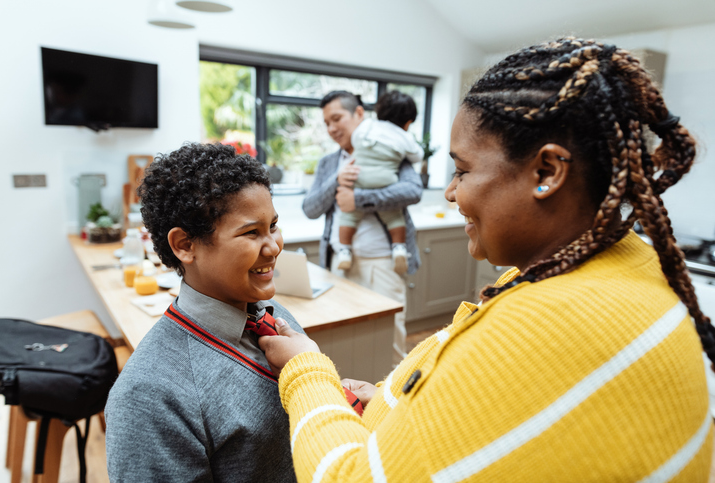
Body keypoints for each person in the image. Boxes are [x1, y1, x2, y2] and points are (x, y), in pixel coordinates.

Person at [259, 38, 715, 482]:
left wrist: (307, 369)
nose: (453, 191)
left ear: (547, 172)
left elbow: (346, 477)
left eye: (462, 170)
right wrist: (387, 401)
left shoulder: (543, 329)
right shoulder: (623, 263)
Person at [105, 143, 305, 482]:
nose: (273, 247)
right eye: (251, 232)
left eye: (273, 226)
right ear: (185, 245)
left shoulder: (277, 318)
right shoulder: (150, 396)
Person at [303, 90, 423, 363]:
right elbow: (310, 209)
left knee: (389, 347)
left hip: (382, 265)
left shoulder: (392, 149)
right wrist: (337, 179)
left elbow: (413, 191)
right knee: (340, 344)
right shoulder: (328, 163)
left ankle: (393, 404)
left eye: (336, 119)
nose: (332, 128)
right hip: (338, 265)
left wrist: (358, 199)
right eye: (326, 123)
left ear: (359, 113)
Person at [336, 90, 424, 275]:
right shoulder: (403, 136)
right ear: (408, 122)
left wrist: (357, 198)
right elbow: (417, 155)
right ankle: (399, 248)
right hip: (386, 180)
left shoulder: (367, 126)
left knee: (348, 216)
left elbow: (356, 137)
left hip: (358, 177)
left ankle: (344, 250)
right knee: (394, 216)